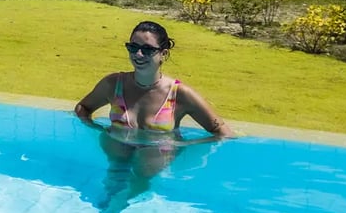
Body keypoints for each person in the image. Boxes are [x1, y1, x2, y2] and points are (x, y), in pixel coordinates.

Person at [75, 20, 234, 140]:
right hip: (115, 166)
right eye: (133, 47)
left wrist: (183, 146)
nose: (138, 54)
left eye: (147, 49)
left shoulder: (179, 94)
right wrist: (98, 132)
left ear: (163, 54)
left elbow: (222, 132)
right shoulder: (113, 84)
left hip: (154, 172)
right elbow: (83, 108)